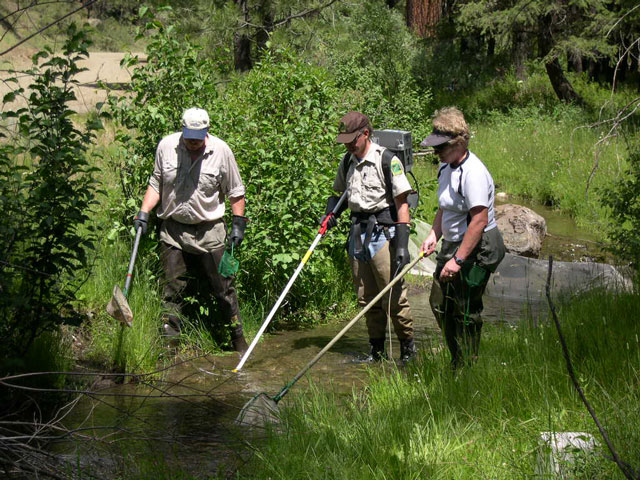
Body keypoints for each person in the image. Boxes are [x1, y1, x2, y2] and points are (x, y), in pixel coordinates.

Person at [133, 107, 249, 353]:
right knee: (171, 291)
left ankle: (238, 341)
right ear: (182, 130)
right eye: (189, 136)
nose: (193, 142)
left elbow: (236, 191)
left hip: (211, 232)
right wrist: (144, 212)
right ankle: (169, 346)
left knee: (225, 290)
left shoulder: (221, 151)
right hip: (173, 232)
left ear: (207, 131)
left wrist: (238, 223)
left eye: (198, 137)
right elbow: (156, 182)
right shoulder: (166, 147)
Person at [322, 111, 416, 364]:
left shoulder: (387, 160)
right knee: (366, 298)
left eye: (352, 140)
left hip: (383, 234)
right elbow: (339, 195)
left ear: (365, 134)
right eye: (345, 141)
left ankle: (408, 350)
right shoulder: (347, 161)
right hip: (358, 234)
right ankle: (377, 352)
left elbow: (402, 204)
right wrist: (330, 214)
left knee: (393, 297)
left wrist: (402, 247)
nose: (349, 145)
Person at [420, 107, 505, 369]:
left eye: (441, 146)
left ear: (459, 142)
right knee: (440, 302)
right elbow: (445, 206)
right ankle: (456, 357)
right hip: (454, 241)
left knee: (466, 309)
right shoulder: (446, 167)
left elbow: (478, 221)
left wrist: (457, 260)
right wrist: (435, 233)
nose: (437, 151)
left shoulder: (474, 173)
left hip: (478, 247)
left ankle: (467, 365)